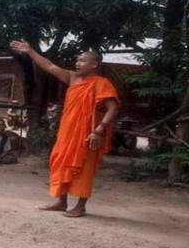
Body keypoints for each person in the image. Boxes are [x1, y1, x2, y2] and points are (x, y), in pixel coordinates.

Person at [10, 40, 119, 217]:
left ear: (94, 64)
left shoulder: (101, 83)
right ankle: (62, 202)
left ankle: (81, 206)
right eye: (77, 60)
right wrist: (30, 51)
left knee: (84, 169)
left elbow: (112, 109)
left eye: (83, 60)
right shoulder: (72, 78)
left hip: (88, 135)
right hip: (67, 132)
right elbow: (50, 66)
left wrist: (99, 130)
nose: (78, 63)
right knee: (58, 160)